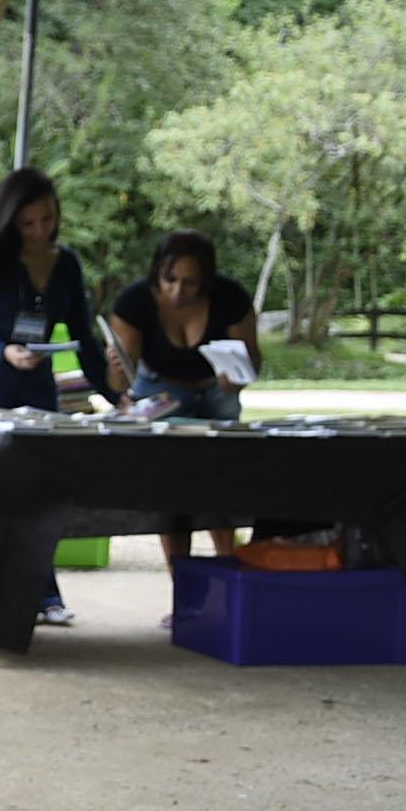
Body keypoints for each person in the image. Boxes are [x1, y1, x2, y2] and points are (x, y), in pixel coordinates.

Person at [0, 166, 124, 627]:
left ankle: (44, 593)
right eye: (28, 223)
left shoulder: (65, 264)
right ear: (9, 220)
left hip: (37, 385)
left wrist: (113, 394)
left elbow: (83, 336)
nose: (39, 230)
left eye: (47, 220)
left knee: (38, 488)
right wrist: (4, 351)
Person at [109, 229, 263, 573]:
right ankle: (182, 581)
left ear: (207, 280)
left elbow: (253, 361)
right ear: (157, 275)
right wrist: (118, 375)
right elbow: (120, 381)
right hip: (161, 390)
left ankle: (228, 571)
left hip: (217, 390)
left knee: (219, 482)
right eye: (170, 280)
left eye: (190, 283)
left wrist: (239, 376)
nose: (178, 291)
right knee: (171, 487)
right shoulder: (134, 302)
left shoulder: (231, 297)